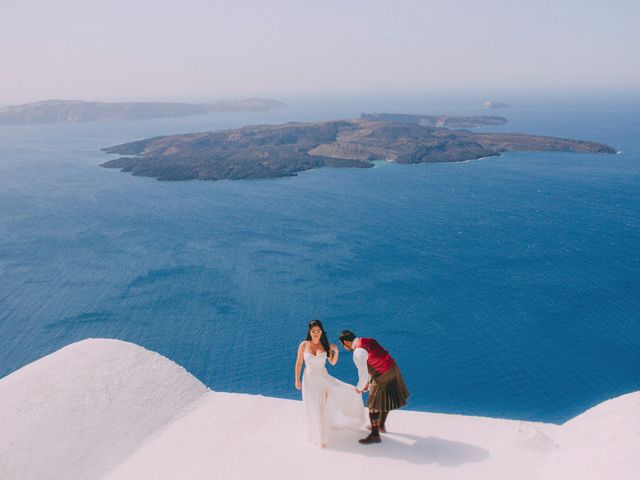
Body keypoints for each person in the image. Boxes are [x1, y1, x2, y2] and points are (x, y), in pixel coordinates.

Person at [294, 320, 365, 447]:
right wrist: (297, 379)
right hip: (309, 380)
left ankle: (322, 439)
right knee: (313, 406)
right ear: (310, 332)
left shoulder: (325, 345)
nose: (316, 333)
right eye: (313, 331)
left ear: (321, 332)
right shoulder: (304, 345)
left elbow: (332, 362)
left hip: (323, 379)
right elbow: (299, 363)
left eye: (318, 331)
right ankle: (317, 433)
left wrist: (336, 351)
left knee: (321, 406)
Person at [339, 330, 410, 444]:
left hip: (382, 374)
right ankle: (381, 425)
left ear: (346, 342)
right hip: (393, 368)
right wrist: (369, 382)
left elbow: (363, 375)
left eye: (342, 344)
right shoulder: (368, 340)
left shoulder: (357, 353)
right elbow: (375, 358)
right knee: (386, 397)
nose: (343, 347)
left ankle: (375, 435)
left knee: (373, 405)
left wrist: (359, 388)